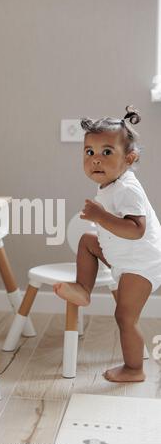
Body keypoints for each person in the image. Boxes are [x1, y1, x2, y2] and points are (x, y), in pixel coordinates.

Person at [54, 105, 161, 382]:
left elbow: (137, 230)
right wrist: (99, 222)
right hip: (123, 254)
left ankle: (135, 369)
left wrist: (100, 216)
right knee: (87, 241)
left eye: (106, 152)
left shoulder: (127, 188)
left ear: (130, 158)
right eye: (89, 152)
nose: (96, 160)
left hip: (141, 261)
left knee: (125, 316)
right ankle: (83, 288)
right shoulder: (110, 184)